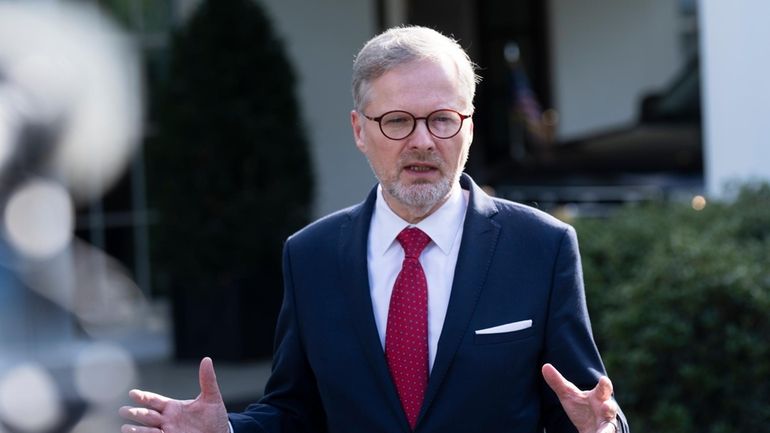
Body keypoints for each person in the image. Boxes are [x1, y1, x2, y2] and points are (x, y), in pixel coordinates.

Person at [120, 25, 628, 433]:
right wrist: (226, 431)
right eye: (398, 121)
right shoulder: (310, 256)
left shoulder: (542, 247)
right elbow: (295, 411)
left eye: (443, 119)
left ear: (469, 128)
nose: (423, 141)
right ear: (360, 130)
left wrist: (601, 430)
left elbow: (583, 405)